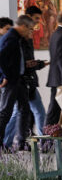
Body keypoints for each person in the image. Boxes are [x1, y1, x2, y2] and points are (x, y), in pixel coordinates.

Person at [5, 7, 48, 148]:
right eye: (35, 19)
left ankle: (14, 141)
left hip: (26, 80)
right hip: (22, 80)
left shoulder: (23, 38)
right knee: (33, 111)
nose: (35, 27)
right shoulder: (16, 39)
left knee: (21, 112)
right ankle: (42, 142)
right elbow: (22, 63)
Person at [0, 16, 35, 152]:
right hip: (11, 81)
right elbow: (1, 57)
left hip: (18, 79)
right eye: (30, 29)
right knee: (5, 112)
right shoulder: (10, 38)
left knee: (24, 109)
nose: (30, 32)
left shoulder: (17, 38)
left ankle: (21, 141)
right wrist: (6, 76)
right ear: (23, 26)